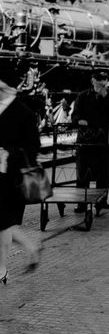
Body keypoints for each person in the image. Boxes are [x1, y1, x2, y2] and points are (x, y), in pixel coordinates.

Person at [0, 68, 43, 285]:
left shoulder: (24, 113)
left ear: (7, 88)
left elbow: (33, 148)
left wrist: (9, 152)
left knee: (3, 223)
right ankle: (31, 248)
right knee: (3, 223)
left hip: (12, 180)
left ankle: (2, 270)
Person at [71, 71, 109, 212]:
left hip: (104, 138)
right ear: (92, 80)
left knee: (104, 171)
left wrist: (105, 96)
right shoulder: (82, 96)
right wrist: (79, 120)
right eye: (99, 79)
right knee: (83, 172)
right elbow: (75, 115)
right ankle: (81, 203)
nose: (102, 82)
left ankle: (101, 201)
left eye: (105, 79)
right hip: (86, 138)